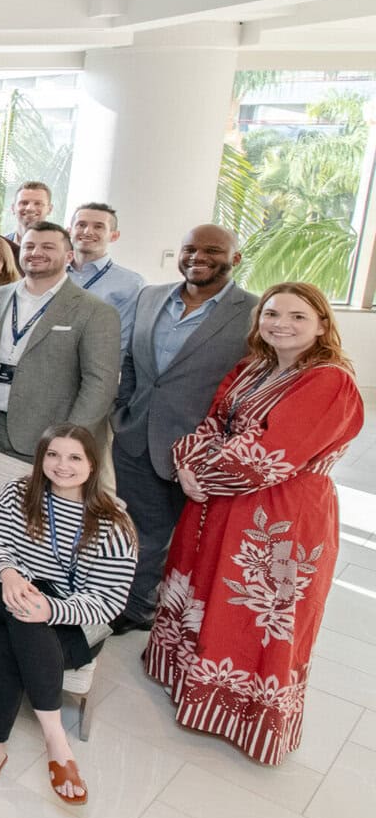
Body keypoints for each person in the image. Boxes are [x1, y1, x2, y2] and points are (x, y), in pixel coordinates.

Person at [143, 283, 362, 766]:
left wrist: (202, 475)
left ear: (323, 324)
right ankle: (187, 684)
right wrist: (187, 466)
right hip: (217, 504)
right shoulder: (252, 368)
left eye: (298, 317)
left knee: (260, 614)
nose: (281, 323)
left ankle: (244, 716)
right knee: (205, 591)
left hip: (282, 516)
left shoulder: (330, 381)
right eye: (272, 313)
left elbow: (271, 453)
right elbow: (211, 424)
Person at [0, 425, 135, 802]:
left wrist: (51, 609)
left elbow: (110, 600)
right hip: (2, 588)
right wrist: (9, 574)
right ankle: (56, 741)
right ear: (41, 458)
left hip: (66, 615)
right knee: (22, 608)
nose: (62, 465)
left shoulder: (113, 523)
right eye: (53, 455)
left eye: (75, 457)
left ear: (92, 464)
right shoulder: (19, 493)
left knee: (4, 644)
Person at [111, 225, 257, 631]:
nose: (198, 257)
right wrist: (123, 409)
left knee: (182, 537)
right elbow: (130, 363)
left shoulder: (254, 311)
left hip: (203, 449)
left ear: (236, 258)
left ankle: (150, 609)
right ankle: (130, 605)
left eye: (212, 250)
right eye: (190, 249)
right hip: (136, 434)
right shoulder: (151, 296)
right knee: (131, 527)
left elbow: (251, 382)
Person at [0, 222, 121, 457]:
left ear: (69, 256)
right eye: (29, 246)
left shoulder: (95, 311)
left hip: (47, 438)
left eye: (48, 247)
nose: (36, 253)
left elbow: (100, 385)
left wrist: (70, 438)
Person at [67, 201, 147, 345]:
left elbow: (121, 340)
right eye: (81, 225)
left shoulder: (131, 283)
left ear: (114, 236)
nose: (87, 231)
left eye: (98, 226)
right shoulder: (49, 274)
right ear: (69, 231)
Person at [6, 180, 52, 245]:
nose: (30, 208)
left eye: (38, 203)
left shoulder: (60, 250)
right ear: (13, 208)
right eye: (24, 203)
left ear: (49, 209)